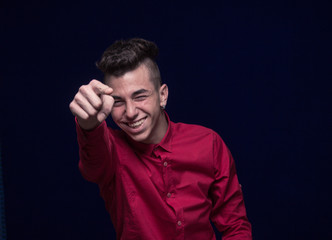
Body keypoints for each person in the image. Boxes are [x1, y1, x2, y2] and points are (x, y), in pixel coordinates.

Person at [69, 38, 252, 240]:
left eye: (140, 97)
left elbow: (235, 225)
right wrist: (89, 124)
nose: (130, 113)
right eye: (118, 102)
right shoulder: (110, 149)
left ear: (162, 95)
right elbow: (92, 165)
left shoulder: (209, 143)